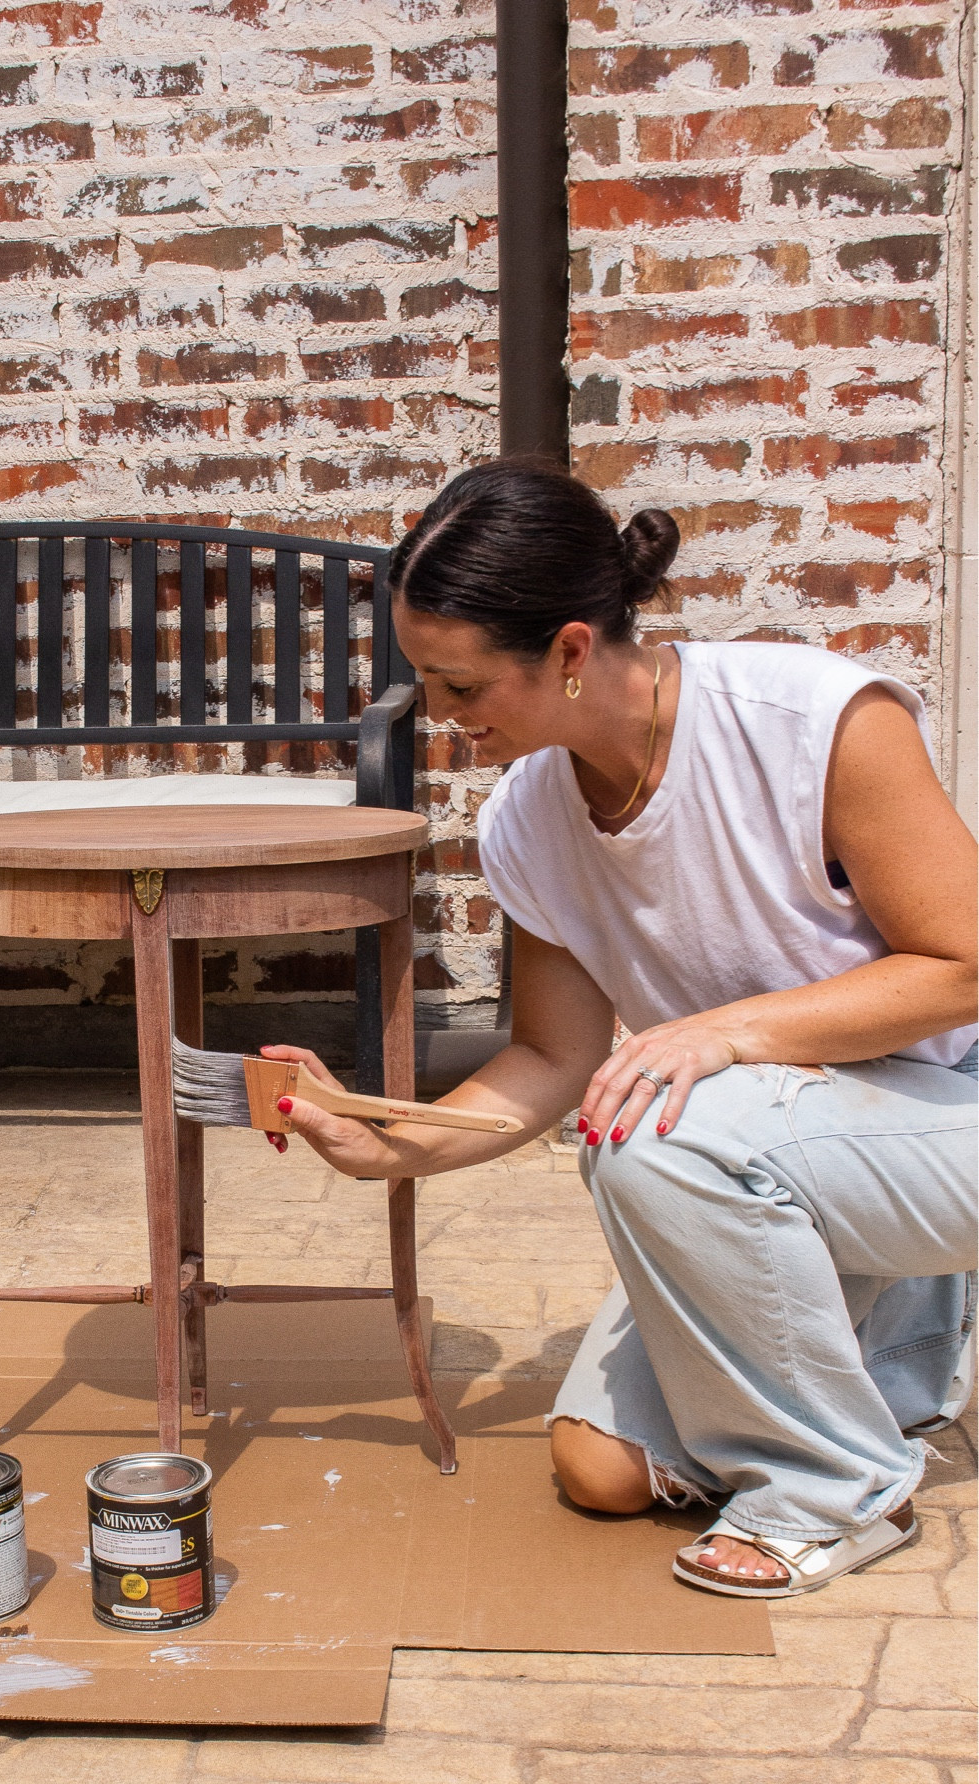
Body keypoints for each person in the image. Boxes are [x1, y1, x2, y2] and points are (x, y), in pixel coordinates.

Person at [261, 457, 978, 1599]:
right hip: (772, 1147)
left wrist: (722, 1033)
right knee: (599, 1467)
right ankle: (885, 1337)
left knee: (653, 1127)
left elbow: (964, 965)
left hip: (946, 1117)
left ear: (571, 650)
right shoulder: (532, 820)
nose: (441, 721)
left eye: (458, 686)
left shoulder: (816, 720)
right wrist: (385, 1141)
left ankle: (840, 1486)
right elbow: (553, 1056)